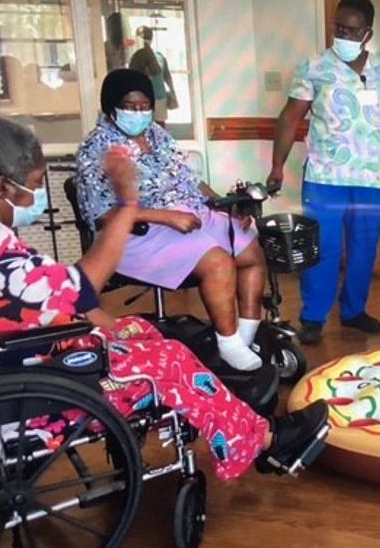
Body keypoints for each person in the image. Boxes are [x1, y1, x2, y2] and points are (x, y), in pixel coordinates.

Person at [0, 89, 328, 481]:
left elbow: (45, 297)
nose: (41, 193)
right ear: (2, 187)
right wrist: (128, 201)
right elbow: (78, 288)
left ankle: (198, 414)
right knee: (170, 358)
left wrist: (106, 324)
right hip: (19, 390)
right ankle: (265, 442)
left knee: (142, 329)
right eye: (37, 183)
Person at [77, 69, 265, 372]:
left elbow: (190, 180)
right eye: (129, 106)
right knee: (218, 262)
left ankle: (244, 337)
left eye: (144, 106)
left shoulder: (158, 135)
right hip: (136, 232)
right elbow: (101, 216)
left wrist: (225, 206)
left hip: (188, 215)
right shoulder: (96, 148)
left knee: (251, 251)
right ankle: (229, 344)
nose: (138, 113)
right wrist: (166, 217)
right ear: (111, 106)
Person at [268, 0, 380, 345]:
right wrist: (277, 166)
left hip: (371, 178)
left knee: (364, 247)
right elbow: (290, 118)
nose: (344, 35)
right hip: (325, 177)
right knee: (322, 247)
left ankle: (354, 310)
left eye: (352, 30)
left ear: (368, 33)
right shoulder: (314, 67)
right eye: (339, 28)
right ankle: (314, 316)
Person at [129, 25, 176, 127]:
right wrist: (173, 94)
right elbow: (167, 76)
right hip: (159, 95)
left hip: (144, 97)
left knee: (144, 126)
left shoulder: (136, 57)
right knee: (159, 125)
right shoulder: (159, 56)